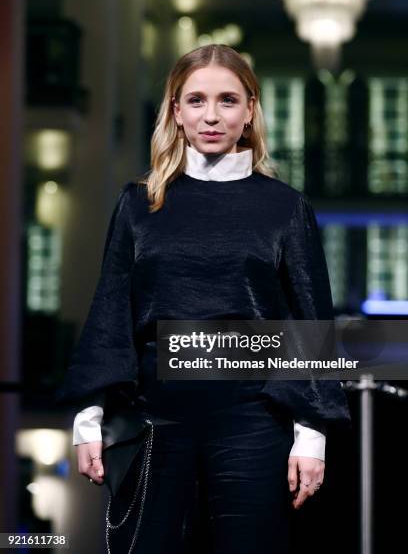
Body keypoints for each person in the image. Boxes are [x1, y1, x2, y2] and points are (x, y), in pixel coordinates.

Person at [56, 44, 351, 553]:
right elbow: (110, 313)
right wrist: (88, 421)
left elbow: (310, 323)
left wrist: (311, 437)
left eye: (227, 100)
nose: (211, 115)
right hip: (156, 423)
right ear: (175, 110)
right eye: (196, 100)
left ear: (250, 110)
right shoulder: (139, 203)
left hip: (254, 422)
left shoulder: (283, 207)